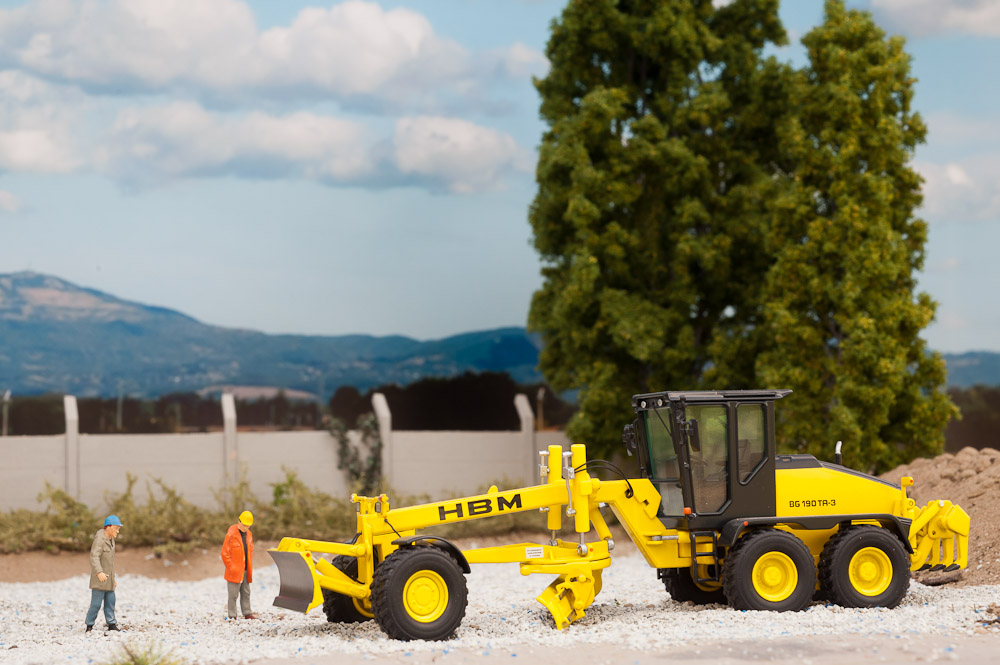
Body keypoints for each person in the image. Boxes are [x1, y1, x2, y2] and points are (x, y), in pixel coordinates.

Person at [86, 515, 123, 632]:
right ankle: (89, 625)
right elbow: (94, 557)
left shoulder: (111, 539)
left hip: (109, 579)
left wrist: (113, 578)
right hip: (100, 579)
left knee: (111, 602)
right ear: (108, 527)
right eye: (116, 528)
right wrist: (99, 572)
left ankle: (111, 623)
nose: (118, 531)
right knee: (96, 604)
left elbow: (110, 562)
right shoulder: (100, 540)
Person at [221, 510, 258, 620]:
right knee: (233, 594)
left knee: (246, 592)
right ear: (239, 521)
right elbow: (224, 553)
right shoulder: (231, 535)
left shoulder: (249, 535)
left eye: (248, 526)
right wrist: (231, 567)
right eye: (244, 525)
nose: (245, 528)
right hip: (234, 571)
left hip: (246, 569)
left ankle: (247, 612)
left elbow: (250, 551)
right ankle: (232, 615)